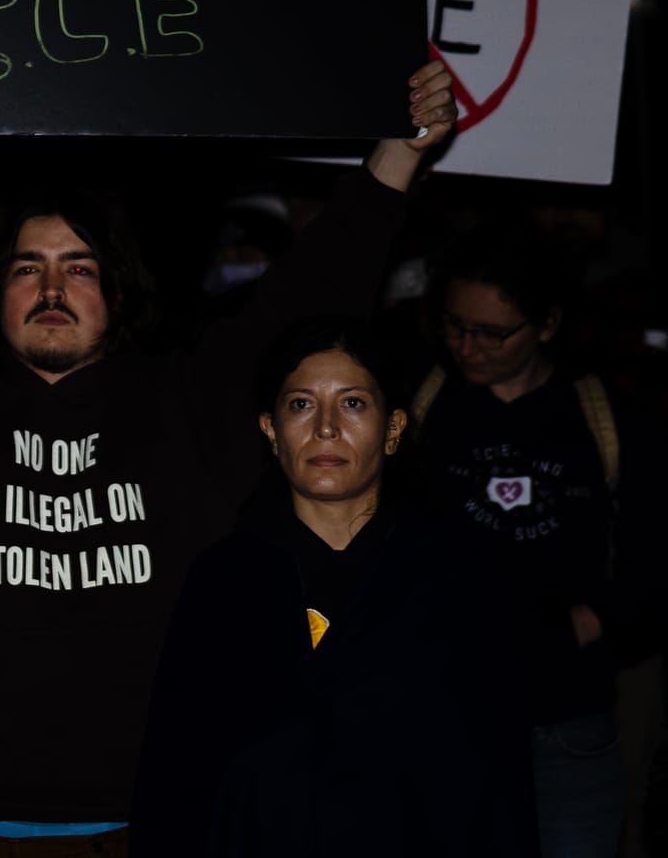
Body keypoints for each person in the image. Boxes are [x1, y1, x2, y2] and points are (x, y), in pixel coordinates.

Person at [0, 59, 456, 852]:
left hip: (159, 818)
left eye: (79, 269)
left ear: (117, 295)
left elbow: (307, 295)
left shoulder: (189, 410)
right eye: (28, 268)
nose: (51, 287)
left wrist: (398, 155)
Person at [132, 317, 534, 854]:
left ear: (392, 429)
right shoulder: (224, 579)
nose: (325, 428)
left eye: (352, 403)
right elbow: (174, 772)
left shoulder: (455, 577)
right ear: (271, 431)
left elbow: (497, 776)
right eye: (300, 404)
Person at [408, 225, 666, 858]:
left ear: (547, 325)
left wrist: (592, 622)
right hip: (440, 719)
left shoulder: (605, 417)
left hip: (564, 721)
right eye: (454, 326)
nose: (468, 347)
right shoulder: (418, 404)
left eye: (492, 333)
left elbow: (652, 562)